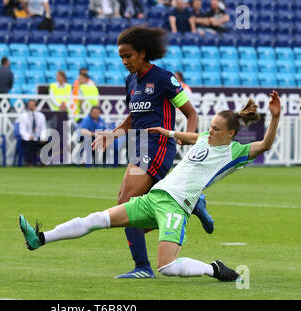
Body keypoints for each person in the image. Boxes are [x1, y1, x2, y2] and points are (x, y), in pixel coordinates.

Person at [19, 91, 282, 282]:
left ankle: (214, 269)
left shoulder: (233, 153)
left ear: (231, 134)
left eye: (215, 129)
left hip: (177, 207)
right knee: (97, 219)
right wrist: (166, 132)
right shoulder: (205, 137)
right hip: (154, 198)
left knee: (166, 267)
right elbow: (192, 136)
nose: (210, 131)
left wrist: (275, 117)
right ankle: (40, 238)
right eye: (210, 126)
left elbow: (266, 145)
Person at [89, 25, 213, 279]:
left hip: (158, 145)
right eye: (121, 57)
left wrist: (189, 137)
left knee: (125, 204)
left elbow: (191, 113)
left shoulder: (163, 78)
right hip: (140, 146)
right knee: (133, 208)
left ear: (143, 53)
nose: (125, 62)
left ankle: (143, 267)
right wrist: (112, 134)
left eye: (129, 56)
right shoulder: (131, 81)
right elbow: (133, 117)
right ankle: (191, 206)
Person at [18, 99, 47, 166]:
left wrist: (43, 137)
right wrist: (28, 136)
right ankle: (30, 163)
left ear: (35, 106)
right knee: (29, 143)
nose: (31, 106)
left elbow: (43, 128)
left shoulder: (41, 116)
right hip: (27, 139)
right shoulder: (23, 116)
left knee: (47, 142)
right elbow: (22, 130)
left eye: (32, 105)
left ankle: (44, 162)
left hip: (38, 138)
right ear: (27, 106)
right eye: (30, 105)